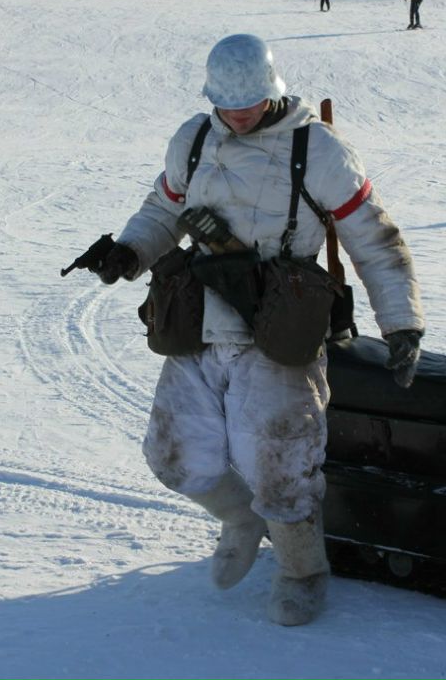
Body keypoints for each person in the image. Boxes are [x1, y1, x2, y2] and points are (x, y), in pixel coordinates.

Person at [71, 33, 424, 626]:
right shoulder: (195, 139)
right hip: (200, 320)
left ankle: (302, 569)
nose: (237, 114)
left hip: (279, 321)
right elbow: (164, 209)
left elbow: (374, 239)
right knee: (174, 455)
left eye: (249, 103)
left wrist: (402, 322)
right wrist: (129, 253)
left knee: (283, 463)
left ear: (272, 89)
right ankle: (242, 519)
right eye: (226, 104)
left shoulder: (319, 149)